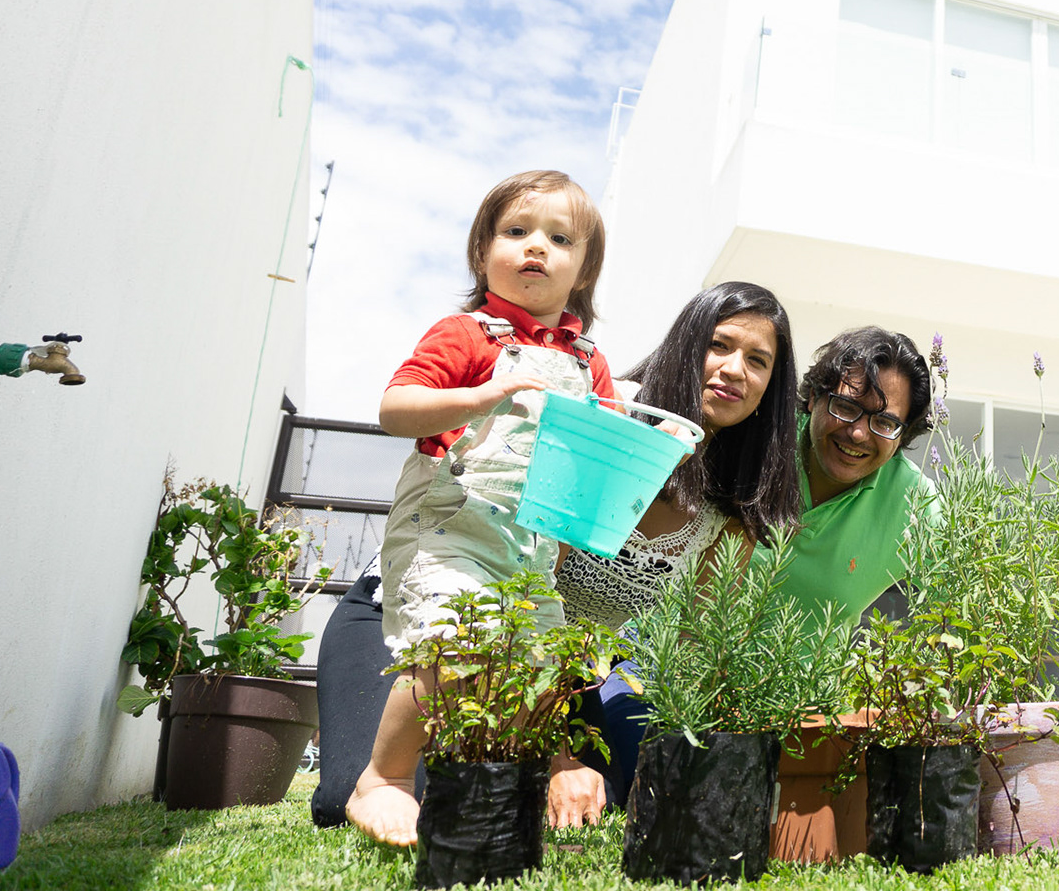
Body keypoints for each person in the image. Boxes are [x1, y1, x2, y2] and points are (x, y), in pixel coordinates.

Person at [342, 169, 615, 847]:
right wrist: (479, 396)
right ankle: (384, 778)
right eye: (517, 231)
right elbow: (395, 408)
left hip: (531, 545)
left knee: (538, 663)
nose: (536, 246)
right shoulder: (468, 333)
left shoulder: (589, 361)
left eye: (560, 239)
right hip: (448, 524)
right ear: (482, 251)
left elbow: (598, 459)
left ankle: (512, 781)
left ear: (584, 270)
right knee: (452, 640)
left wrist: (645, 446)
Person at [547, 281, 801, 822]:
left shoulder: (735, 502)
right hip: (465, 631)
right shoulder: (615, 414)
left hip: (576, 670)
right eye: (719, 345)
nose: (735, 369)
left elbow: (690, 647)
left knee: (618, 793)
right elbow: (526, 585)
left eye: (758, 361)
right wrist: (558, 757)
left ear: (770, 389)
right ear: (686, 345)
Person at [756, 326, 936, 627]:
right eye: (846, 406)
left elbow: (975, 592)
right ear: (814, 397)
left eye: (885, 422)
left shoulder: (915, 504)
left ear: (902, 436)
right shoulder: (761, 439)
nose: (858, 433)